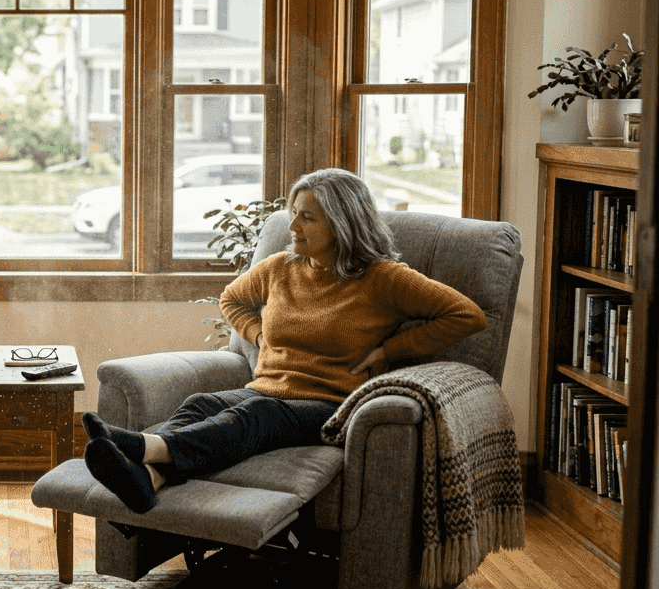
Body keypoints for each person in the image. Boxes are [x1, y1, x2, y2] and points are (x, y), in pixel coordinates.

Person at [83, 168, 488, 514]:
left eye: (307, 217)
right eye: (293, 214)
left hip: (330, 406)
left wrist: (390, 350)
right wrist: (258, 335)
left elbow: (468, 315)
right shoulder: (280, 267)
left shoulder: (384, 278)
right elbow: (232, 298)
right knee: (201, 404)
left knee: (257, 415)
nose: (292, 226)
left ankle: (138, 446)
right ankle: (148, 479)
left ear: (342, 223)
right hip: (268, 388)